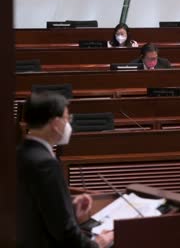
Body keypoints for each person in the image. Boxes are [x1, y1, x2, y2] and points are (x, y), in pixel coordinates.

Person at [17, 93, 114, 248]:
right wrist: (97, 244)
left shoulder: (19, 153)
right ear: (56, 123)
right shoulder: (46, 163)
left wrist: (70, 209)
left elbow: (34, 209)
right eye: (67, 118)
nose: (68, 124)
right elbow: (65, 233)